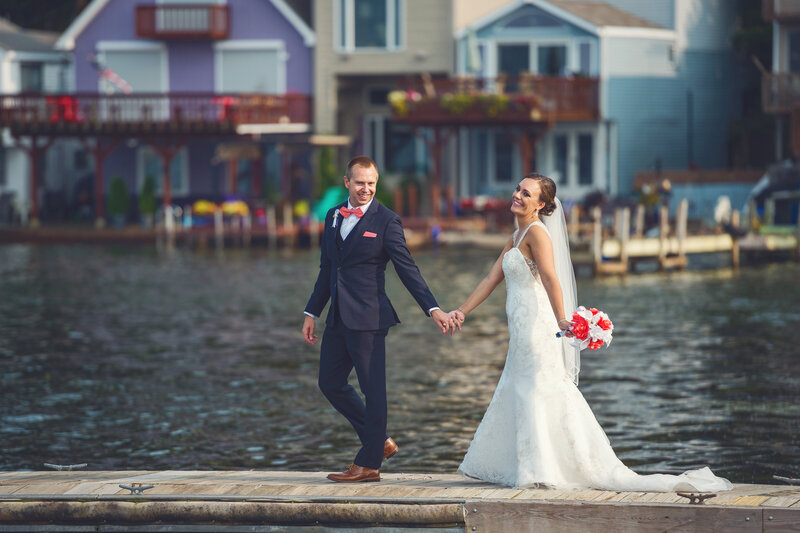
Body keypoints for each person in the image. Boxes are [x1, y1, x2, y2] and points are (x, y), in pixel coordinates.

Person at [447, 173, 732, 492]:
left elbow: (552, 279)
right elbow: (490, 279)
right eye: (517, 189)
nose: (517, 195)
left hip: (537, 326)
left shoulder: (537, 234)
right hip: (519, 325)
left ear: (541, 204)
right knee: (522, 387)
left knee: (537, 388)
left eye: (526, 193)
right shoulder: (516, 235)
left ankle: (541, 468)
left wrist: (561, 320)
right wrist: (461, 312)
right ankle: (529, 464)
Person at [302, 156, 454, 483]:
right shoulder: (332, 216)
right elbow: (327, 269)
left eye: (371, 183)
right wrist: (312, 311)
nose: (366, 189)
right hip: (337, 317)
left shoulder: (387, 221)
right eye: (360, 183)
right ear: (347, 182)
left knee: (374, 391)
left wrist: (433, 308)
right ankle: (379, 439)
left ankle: (369, 463)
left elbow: (406, 268)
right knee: (329, 382)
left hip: (370, 317)